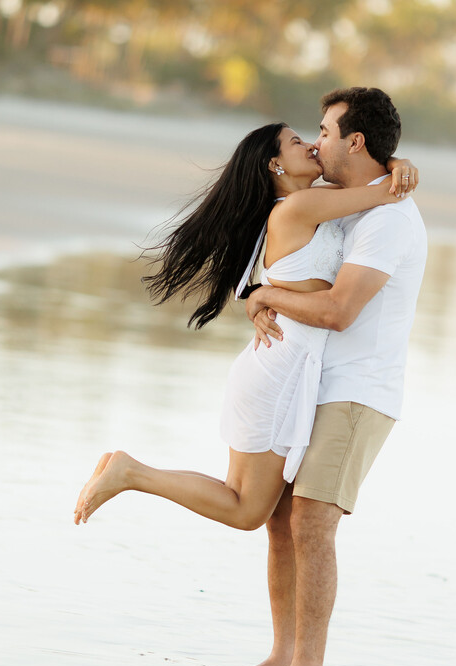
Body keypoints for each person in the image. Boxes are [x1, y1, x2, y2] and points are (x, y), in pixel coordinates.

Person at [73, 119, 417, 537]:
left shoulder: (306, 202)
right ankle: (133, 473)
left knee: (246, 501)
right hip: (278, 372)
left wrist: (397, 160)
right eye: (296, 142)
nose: (310, 145)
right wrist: (402, 166)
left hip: (284, 366)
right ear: (275, 164)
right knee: (246, 510)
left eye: (315, 136)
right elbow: (383, 190)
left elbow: (370, 185)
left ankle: (132, 472)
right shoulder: (298, 208)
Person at [226, 87, 427, 666]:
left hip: (358, 391)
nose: (318, 141)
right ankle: (283, 659)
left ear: (355, 141)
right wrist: (264, 291)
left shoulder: (388, 220)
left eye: (326, 130)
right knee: (284, 524)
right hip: (318, 386)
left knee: (313, 524)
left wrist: (267, 297)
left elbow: (338, 311)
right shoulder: (353, 206)